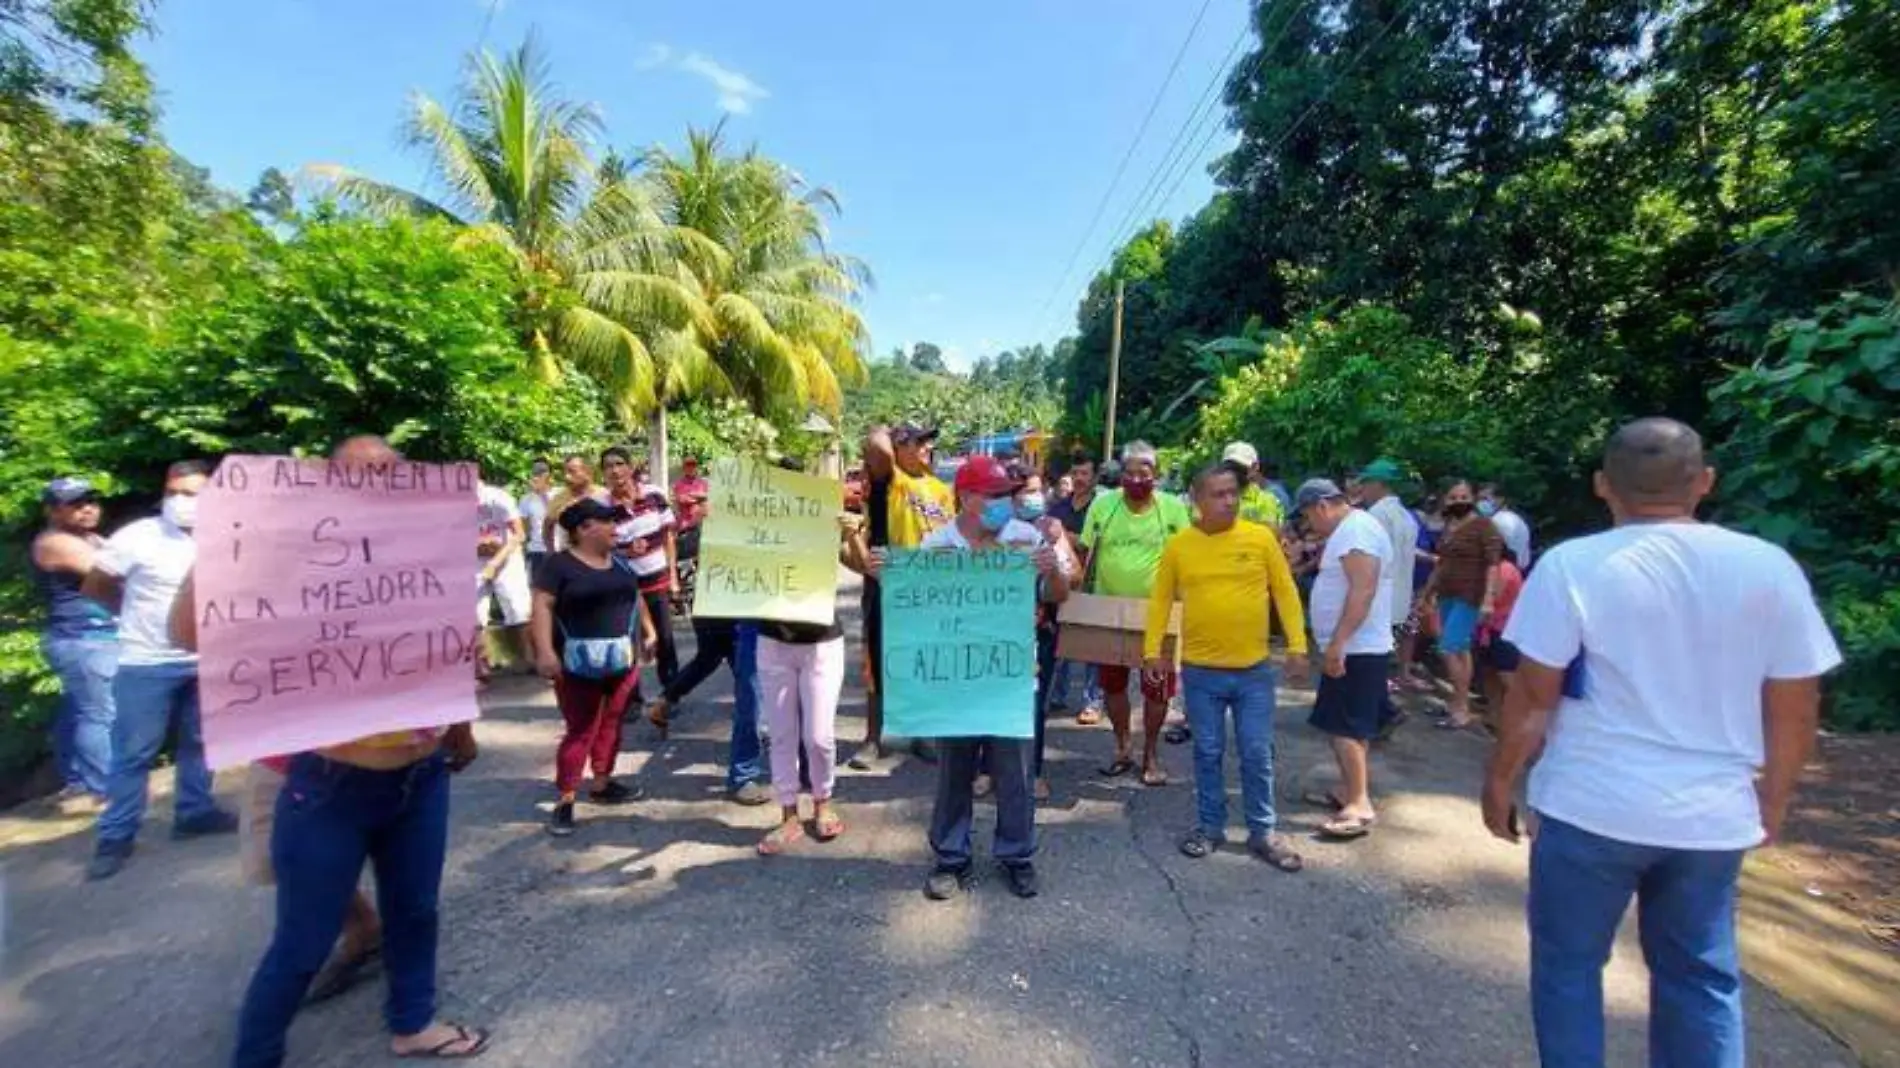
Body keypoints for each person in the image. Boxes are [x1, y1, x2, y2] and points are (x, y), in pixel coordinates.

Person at [1481, 418, 1841, 1068]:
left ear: (1601, 485)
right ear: (1704, 482)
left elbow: (1534, 700)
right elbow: (1795, 706)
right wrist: (1773, 800)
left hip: (1588, 807)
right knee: (1700, 979)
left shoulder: (1571, 567)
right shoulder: (1768, 569)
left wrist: (1500, 783)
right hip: (1709, 818)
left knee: (1568, 972)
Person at [233, 435, 487, 1065]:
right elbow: (194, 628)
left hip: (420, 779)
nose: (380, 488)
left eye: (392, 475)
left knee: (416, 911)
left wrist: (461, 728)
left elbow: (455, 646)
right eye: (360, 477)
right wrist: (226, 546)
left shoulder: (428, 557)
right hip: (328, 785)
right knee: (303, 942)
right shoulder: (292, 561)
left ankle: (412, 1023)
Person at [869, 456, 1066, 901]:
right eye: (995, 496)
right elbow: (913, 605)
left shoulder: (1025, 539)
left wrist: (1050, 568)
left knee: (1014, 774)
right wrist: (887, 575)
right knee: (954, 772)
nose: (1005, 504)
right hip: (955, 684)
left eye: (1007, 495)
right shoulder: (938, 544)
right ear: (967, 497)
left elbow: (1059, 597)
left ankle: (1017, 856)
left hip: (1011, 679)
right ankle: (950, 859)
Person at [1146, 464, 1307, 870]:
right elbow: (1161, 600)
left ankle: (1263, 832)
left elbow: (1285, 592)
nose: (1229, 500)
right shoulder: (1180, 546)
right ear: (1197, 501)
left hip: (1253, 671)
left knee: (1257, 751)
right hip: (1201, 673)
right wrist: (1153, 652)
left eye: (1233, 492)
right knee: (1207, 751)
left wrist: (1297, 646)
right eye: (1217, 494)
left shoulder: (1259, 539)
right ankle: (1210, 827)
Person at [83, 461, 236, 881]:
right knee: (134, 753)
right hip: (146, 661)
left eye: (194, 494)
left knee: (202, 741)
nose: (183, 502)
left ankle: (195, 812)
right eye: (176, 493)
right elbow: (95, 584)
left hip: (205, 660)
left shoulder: (225, 536)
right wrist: (128, 615)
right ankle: (116, 836)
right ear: (164, 494)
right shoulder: (138, 537)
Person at [530, 497, 659, 837]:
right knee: (581, 728)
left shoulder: (619, 563)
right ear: (584, 529)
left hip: (621, 659)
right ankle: (566, 798)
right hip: (575, 664)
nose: (615, 528)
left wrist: (649, 632)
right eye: (608, 522)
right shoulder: (558, 566)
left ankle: (602, 783)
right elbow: (541, 606)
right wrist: (544, 651)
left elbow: (636, 596)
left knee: (613, 724)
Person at [1079, 440, 1191, 785]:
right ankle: (1123, 747)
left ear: (1155, 475)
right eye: (1130, 473)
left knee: (1156, 689)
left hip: (1158, 617)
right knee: (1112, 687)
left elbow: (1187, 559)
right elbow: (1087, 553)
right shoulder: (1103, 505)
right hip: (1109, 612)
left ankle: (1150, 753)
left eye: (1145, 473)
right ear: (1120, 475)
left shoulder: (1172, 509)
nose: (1137, 479)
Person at [850, 423, 955, 768]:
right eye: (918, 442)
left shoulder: (942, 489)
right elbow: (877, 446)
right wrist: (890, 430)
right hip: (887, 583)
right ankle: (872, 739)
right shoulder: (890, 479)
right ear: (899, 448)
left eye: (928, 442)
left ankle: (921, 732)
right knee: (878, 661)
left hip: (928, 589)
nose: (926, 447)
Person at [1296, 479, 1395, 841]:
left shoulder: (1357, 532)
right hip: (1356, 646)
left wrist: (1338, 643)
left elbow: (1362, 589)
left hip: (1358, 648)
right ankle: (1349, 789)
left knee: (1344, 727)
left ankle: (1358, 803)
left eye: (1308, 516)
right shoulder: (1353, 530)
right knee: (1348, 724)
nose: (1310, 525)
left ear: (1322, 506)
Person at [31, 477, 118, 802]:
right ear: (53, 511)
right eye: (76, 504)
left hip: (94, 635)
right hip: (82, 638)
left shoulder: (92, 538)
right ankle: (109, 789)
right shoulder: (54, 542)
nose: (88, 509)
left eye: (92, 502)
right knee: (100, 714)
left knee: (79, 709)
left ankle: (77, 777)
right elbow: (112, 572)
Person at [1007, 465, 1080, 802]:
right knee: (991, 701)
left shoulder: (1052, 529)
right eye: (1023, 490)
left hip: (1041, 630)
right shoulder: (991, 530)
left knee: (1035, 705)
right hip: (996, 631)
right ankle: (986, 770)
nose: (1031, 497)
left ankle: (1032, 771)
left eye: (1036, 489)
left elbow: (1074, 578)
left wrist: (1055, 559)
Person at [753, 606, 848, 853]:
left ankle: (823, 802)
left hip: (822, 642)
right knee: (781, 736)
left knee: (819, 738)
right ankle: (788, 814)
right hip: (773, 640)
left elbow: (862, 567)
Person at [1412, 479, 1501, 730]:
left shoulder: (1484, 526)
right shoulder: (1450, 525)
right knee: (1459, 649)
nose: (1459, 502)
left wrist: (1488, 600)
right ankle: (1456, 703)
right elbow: (1442, 563)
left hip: (1469, 595)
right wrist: (1427, 592)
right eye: (1453, 497)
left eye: (1463, 497)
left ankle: (1461, 707)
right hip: (1447, 594)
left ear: (1472, 498)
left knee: (1449, 647)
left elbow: (1493, 564)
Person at [601, 447, 679, 686]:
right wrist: (626, 551)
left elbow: (668, 537)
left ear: (630, 467)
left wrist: (673, 576)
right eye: (608, 466)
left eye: (619, 464)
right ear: (603, 474)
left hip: (658, 579)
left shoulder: (654, 495)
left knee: (665, 637)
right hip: (625, 584)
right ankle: (631, 696)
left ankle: (670, 692)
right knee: (629, 641)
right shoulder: (602, 508)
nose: (615, 470)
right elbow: (602, 547)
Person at [1045, 452, 1101, 725]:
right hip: (1061, 584)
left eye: (1085, 474)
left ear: (1095, 477)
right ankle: (1056, 696)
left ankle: (1092, 702)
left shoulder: (1101, 508)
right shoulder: (1058, 507)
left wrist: (1066, 536)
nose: (1079, 479)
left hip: (1093, 584)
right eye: (1075, 473)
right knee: (1060, 644)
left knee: (1093, 648)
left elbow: (1092, 543)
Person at [475, 481, 532, 674]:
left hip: (508, 555)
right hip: (475, 558)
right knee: (474, 611)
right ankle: (481, 666)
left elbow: (519, 535)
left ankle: (527, 660)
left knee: (518, 609)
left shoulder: (498, 498)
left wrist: (495, 562)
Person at [1477, 552, 1525, 732]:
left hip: (1503, 629)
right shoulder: (1497, 568)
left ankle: (1521, 720)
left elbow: (1495, 597)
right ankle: (1494, 715)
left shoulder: (1505, 569)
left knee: (1507, 676)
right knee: (1490, 673)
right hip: (1489, 629)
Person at [545, 453, 606, 552]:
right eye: (564, 473)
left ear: (588, 472)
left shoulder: (604, 495)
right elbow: (547, 527)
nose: (567, 477)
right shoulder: (558, 499)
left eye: (572, 472)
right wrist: (551, 552)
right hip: (569, 560)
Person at [1218, 442, 1287, 528]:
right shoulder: (1212, 496)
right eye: (1230, 467)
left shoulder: (1266, 500)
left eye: (1239, 467)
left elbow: (1268, 533)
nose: (1234, 472)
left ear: (1255, 467)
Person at [1479, 481, 1534, 570]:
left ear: (1500, 499)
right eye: (1479, 499)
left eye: (1485, 499)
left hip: (1506, 572)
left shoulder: (1499, 521)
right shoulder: (1514, 518)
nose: (1481, 503)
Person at [519, 459, 554, 579]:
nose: (538, 475)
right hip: (536, 551)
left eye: (542, 471)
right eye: (535, 471)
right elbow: (523, 530)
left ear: (550, 474)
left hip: (557, 550)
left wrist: (542, 494)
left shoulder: (559, 494)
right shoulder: (526, 499)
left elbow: (556, 517)